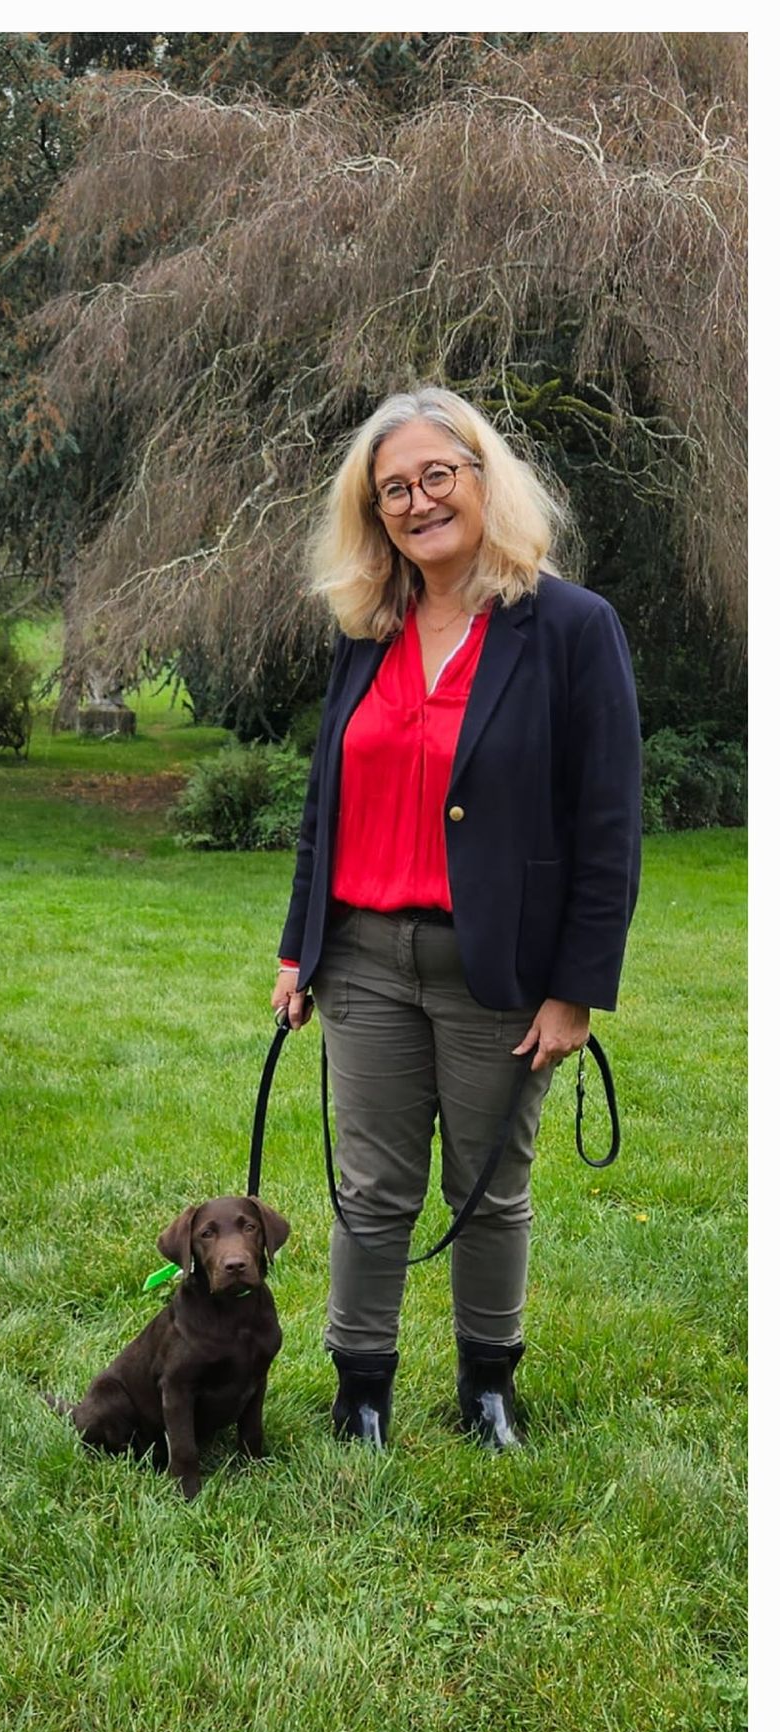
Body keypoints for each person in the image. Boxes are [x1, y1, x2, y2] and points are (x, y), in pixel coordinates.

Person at [272, 388, 641, 1450]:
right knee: (371, 1190)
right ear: (373, 513)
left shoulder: (571, 627)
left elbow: (608, 824)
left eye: (439, 475)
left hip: (505, 969)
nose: (418, 500)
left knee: (489, 1186)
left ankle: (488, 1390)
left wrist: (575, 988)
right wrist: (301, 946)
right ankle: (362, 1397)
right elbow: (323, 806)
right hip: (363, 958)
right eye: (394, 489)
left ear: (486, 480)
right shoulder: (365, 630)